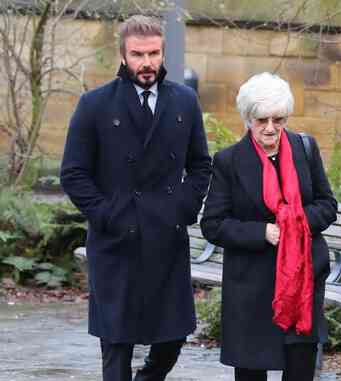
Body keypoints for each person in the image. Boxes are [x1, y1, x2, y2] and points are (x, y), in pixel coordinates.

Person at [60, 15, 211, 381]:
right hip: (115, 241)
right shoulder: (95, 104)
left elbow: (201, 165)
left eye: (154, 53)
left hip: (167, 235)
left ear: (163, 53)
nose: (147, 62)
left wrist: (184, 208)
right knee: (116, 342)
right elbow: (73, 173)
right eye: (138, 54)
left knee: (173, 337)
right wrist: (107, 214)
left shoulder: (184, 101)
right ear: (123, 55)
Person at [200, 72, 337, 381]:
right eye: (262, 120)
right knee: (251, 372)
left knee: (300, 369)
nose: (271, 128)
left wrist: (296, 223)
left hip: (302, 283)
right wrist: (262, 232)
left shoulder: (305, 148)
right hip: (252, 287)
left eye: (279, 119)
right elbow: (213, 224)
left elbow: (328, 205)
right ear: (248, 119)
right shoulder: (229, 161)